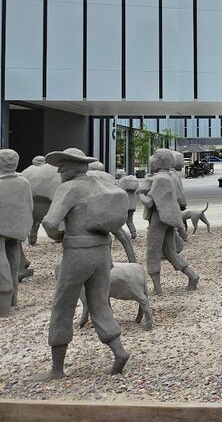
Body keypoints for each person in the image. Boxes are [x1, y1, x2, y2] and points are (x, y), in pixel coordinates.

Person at [33, 148, 130, 380]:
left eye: (63, 166)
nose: (59, 170)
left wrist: (58, 236)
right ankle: (119, 351)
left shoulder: (69, 188)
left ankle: (57, 368)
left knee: (63, 305)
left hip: (78, 253)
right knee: (99, 302)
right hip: (101, 252)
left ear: (74, 167)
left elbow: (50, 222)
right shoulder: (98, 183)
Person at [141, 149, 199, 295]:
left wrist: (139, 193)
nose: (151, 160)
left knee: (152, 251)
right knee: (169, 251)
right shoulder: (171, 176)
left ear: (159, 162)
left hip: (158, 219)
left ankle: (157, 288)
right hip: (167, 218)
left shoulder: (160, 179)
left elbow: (149, 203)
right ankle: (193, 276)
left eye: (154, 158)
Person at [0, 150, 32, 316]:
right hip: (17, 227)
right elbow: (29, 206)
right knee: (14, 262)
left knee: (1, 259)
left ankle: (3, 302)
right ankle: (13, 301)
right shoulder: (24, 182)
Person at [116, 169, 139, 239]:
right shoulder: (133, 181)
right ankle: (133, 233)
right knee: (129, 220)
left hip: (123, 205)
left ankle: (118, 236)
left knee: (118, 220)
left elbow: (118, 192)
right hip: (132, 205)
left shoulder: (121, 182)